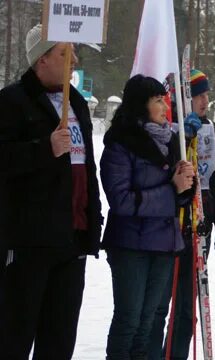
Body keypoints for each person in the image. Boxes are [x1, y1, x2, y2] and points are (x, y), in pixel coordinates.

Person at [0, 24, 103, 358]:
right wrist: (43, 150)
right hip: (29, 242)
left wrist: (93, 218)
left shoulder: (78, 105)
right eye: (62, 52)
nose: (72, 59)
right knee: (15, 337)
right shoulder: (13, 101)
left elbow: (87, 168)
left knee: (59, 341)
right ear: (41, 60)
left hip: (72, 239)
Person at [101, 74, 195, 359]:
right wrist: (172, 189)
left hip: (164, 244)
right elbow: (121, 200)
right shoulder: (120, 143)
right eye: (157, 101)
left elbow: (180, 196)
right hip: (131, 244)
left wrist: (186, 185)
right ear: (140, 105)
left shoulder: (169, 140)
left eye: (164, 100)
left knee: (149, 323)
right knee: (129, 320)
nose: (165, 107)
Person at [149, 69, 215, 360]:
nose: (205, 101)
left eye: (207, 95)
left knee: (188, 304)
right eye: (199, 95)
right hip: (170, 223)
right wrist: (182, 137)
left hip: (201, 221)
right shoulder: (168, 127)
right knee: (159, 303)